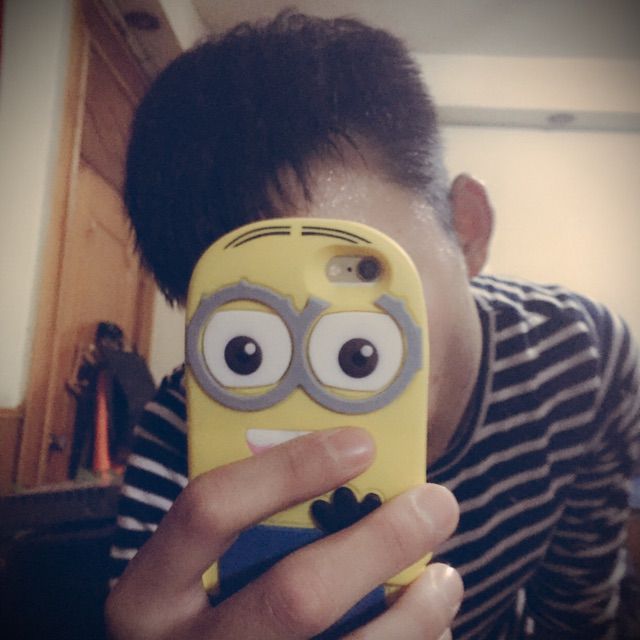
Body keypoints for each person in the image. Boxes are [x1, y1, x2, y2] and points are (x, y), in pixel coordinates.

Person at [105, 11, 640, 640]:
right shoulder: (182, 431)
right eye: (247, 345)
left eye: (360, 279)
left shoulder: (584, 356)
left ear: (466, 227)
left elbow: (577, 612)